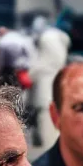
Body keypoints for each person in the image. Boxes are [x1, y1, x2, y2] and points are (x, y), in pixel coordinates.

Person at [28, 16, 71, 148]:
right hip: (59, 77)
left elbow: (39, 63)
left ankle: (46, 141)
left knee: (43, 111)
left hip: (44, 80)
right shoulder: (61, 37)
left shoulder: (45, 39)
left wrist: (30, 75)